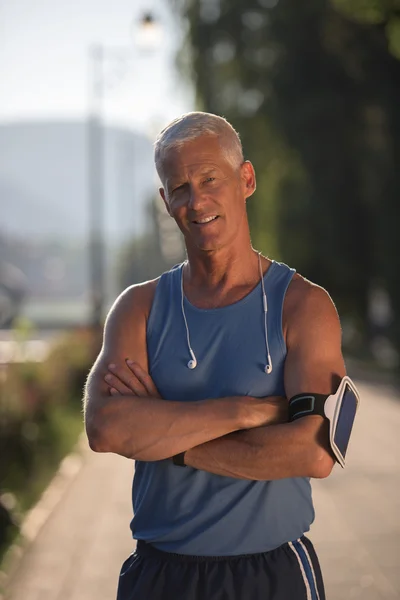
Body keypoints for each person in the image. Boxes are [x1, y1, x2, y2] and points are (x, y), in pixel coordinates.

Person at [83, 111, 346, 600]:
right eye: (179, 187)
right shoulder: (138, 309)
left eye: (209, 179)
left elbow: (313, 450)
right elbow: (105, 429)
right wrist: (244, 412)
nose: (196, 200)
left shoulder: (304, 306)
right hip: (159, 574)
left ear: (245, 179)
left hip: (272, 574)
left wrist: (169, 440)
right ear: (166, 201)